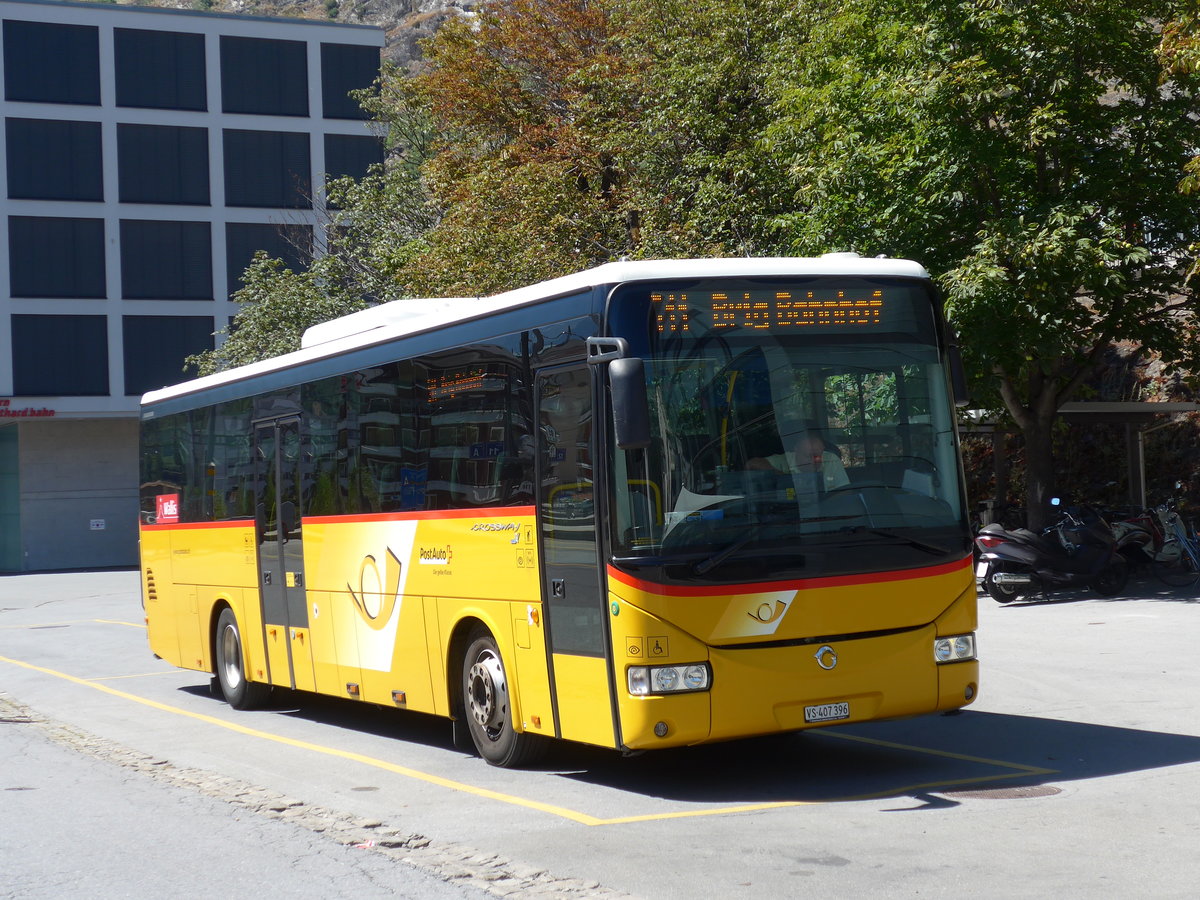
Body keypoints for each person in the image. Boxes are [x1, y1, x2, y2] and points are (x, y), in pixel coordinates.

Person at [747, 432, 849, 490]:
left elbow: (845, 493)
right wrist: (784, 478)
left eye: (817, 456)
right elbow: (752, 464)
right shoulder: (785, 460)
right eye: (808, 456)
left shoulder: (830, 459)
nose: (814, 461)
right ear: (797, 451)